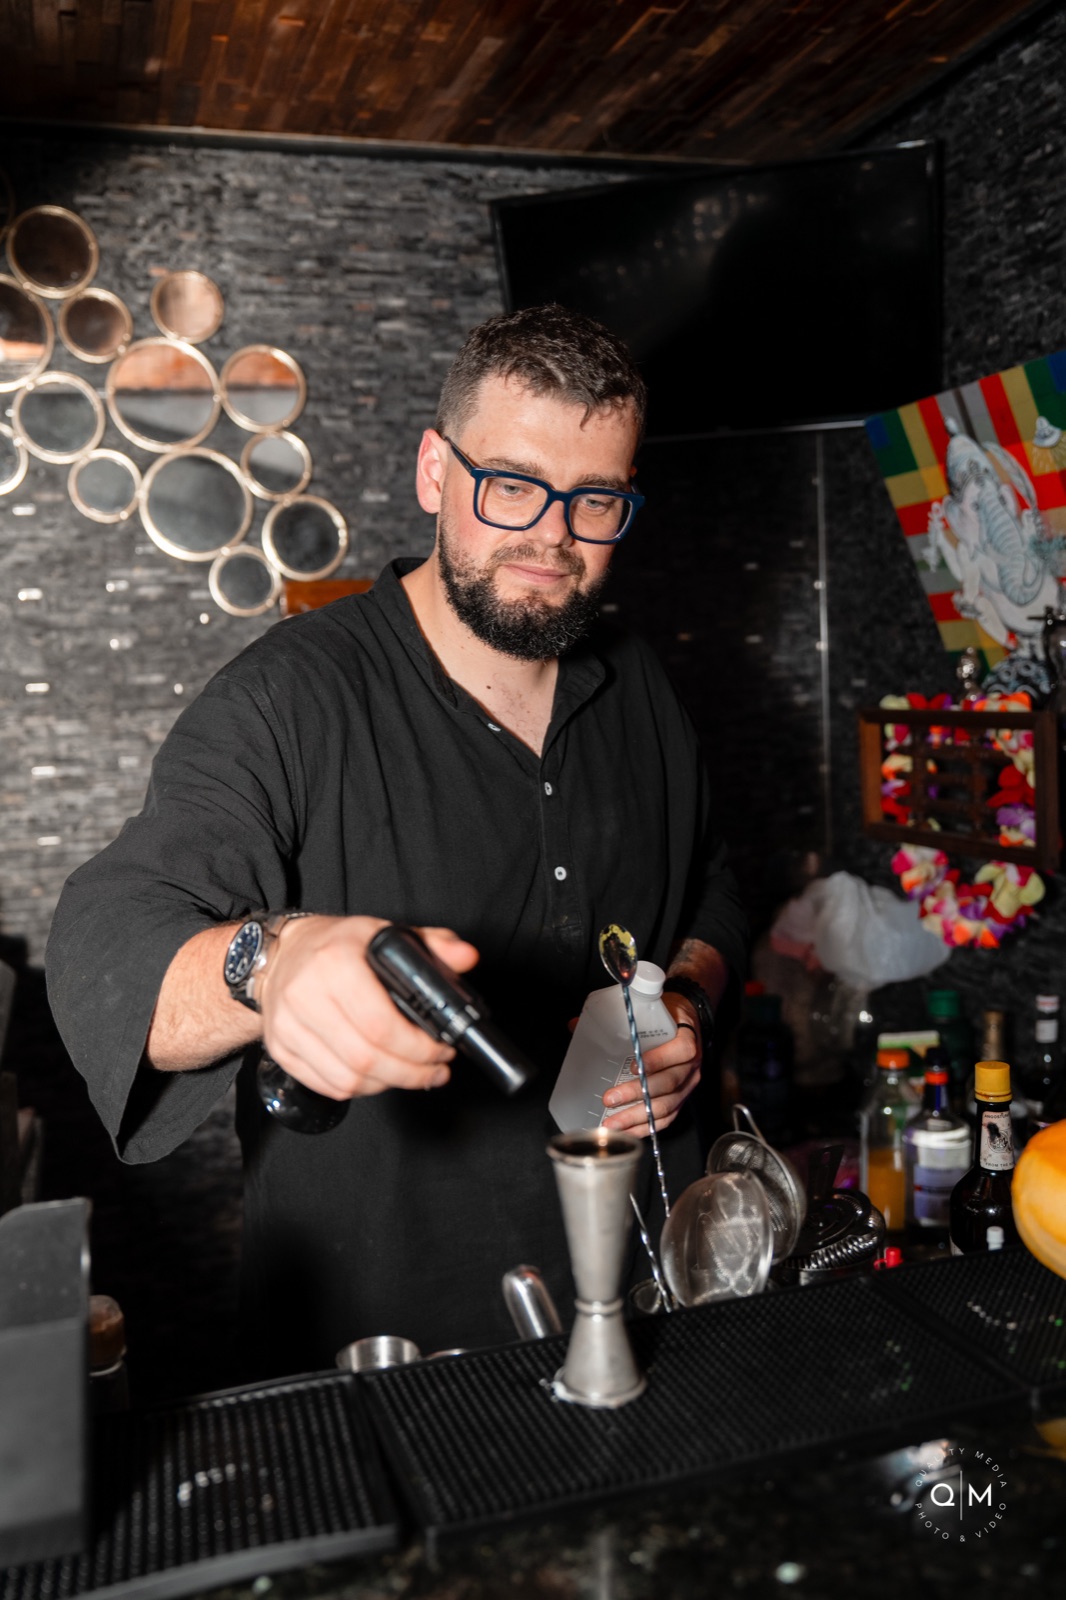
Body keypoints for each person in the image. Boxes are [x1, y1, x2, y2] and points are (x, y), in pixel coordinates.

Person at [47, 304, 747, 1375]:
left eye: (594, 499)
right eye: (511, 484)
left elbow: (709, 888)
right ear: (434, 470)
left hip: (650, 1296)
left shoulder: (636, 676)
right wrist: (267, 964)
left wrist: (686, 997)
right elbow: (107, 945)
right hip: (386, 1342)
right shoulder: (289, 696)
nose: (551, 537)